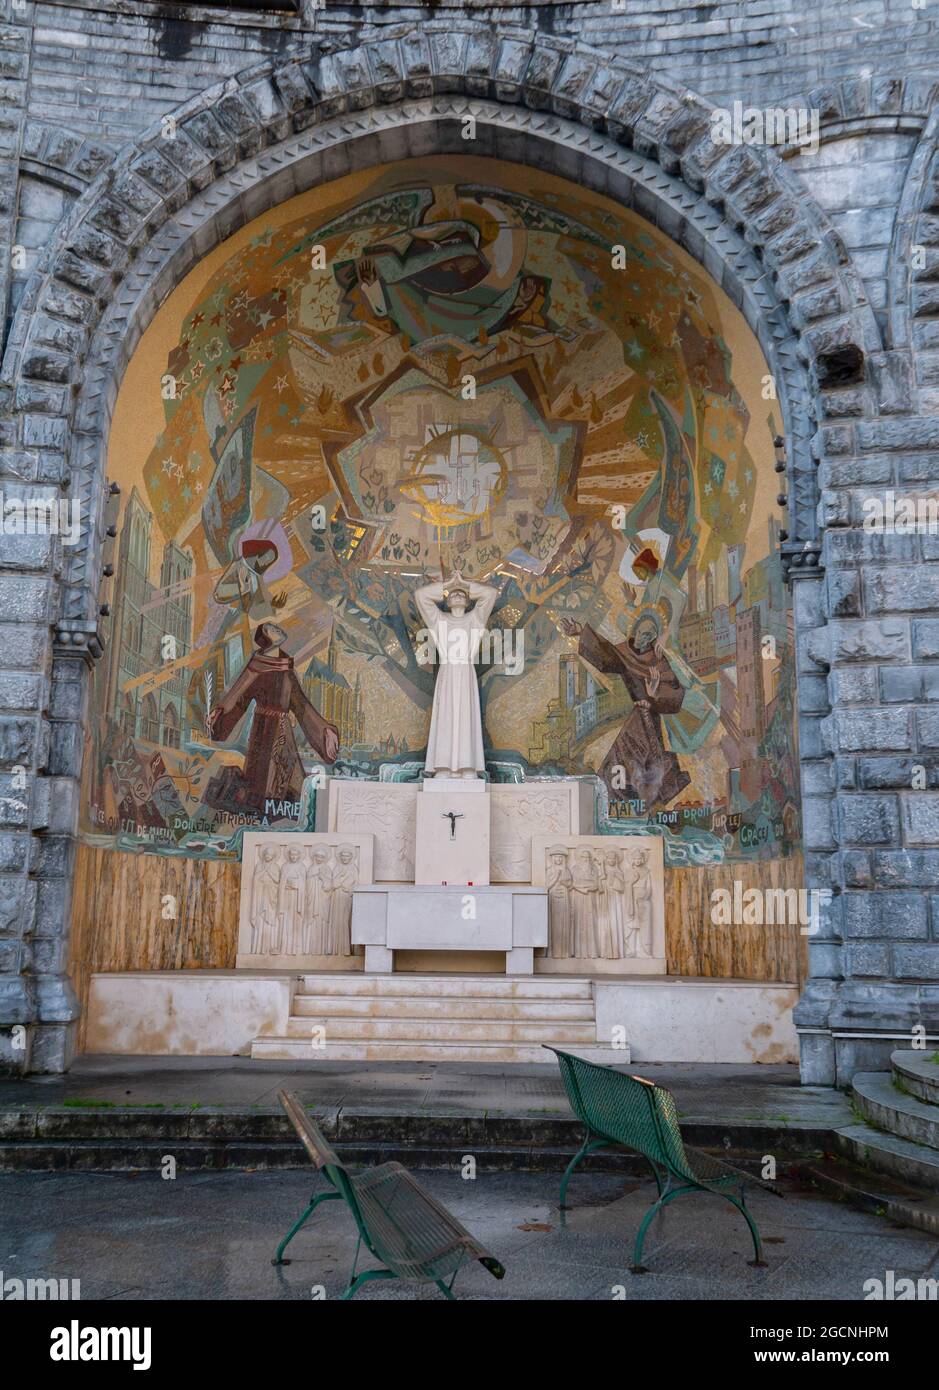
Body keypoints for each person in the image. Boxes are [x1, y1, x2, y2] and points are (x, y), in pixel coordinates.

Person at [207, 622, 340, 812]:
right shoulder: (257, 666)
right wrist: (220, 713)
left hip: (284, 733)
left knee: (287, 782)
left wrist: (325, 731)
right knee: (263, 784)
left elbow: (301, 706)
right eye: (272, 629)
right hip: (263, 732)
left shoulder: (286, 668)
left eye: (277, 628)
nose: (278, 629)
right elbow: (238, 696)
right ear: (266, 638)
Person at [414, 570, 498, 778]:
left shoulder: (475, 620)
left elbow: (490, 594)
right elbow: (421, 597)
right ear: (446, 601)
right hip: (448, 672)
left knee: (466, 719)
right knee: (446, 719)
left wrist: (465, 584)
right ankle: (442, 767)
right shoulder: (439, 621)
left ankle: (467, 767)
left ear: (469, 601)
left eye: (461, 594)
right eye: (453, 595)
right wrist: (448, 585)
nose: (457, 595)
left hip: (466, 672)